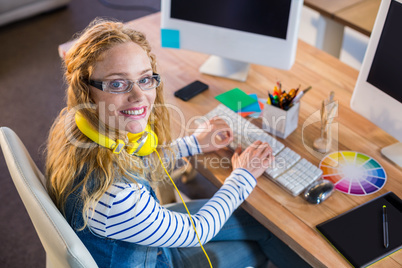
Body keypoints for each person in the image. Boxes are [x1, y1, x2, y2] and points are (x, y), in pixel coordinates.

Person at [45, 18, 311, 268]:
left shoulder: (78, 125)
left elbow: (135, 161)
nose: (139, 96)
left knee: (257, 222)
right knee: (269, 237)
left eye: (145, 79)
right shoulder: (114, 198)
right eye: (117, 83)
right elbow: (196, 232)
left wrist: (194, 144)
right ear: (86, 89)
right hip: (157, 259)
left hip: (143, 237)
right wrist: (243, 174)